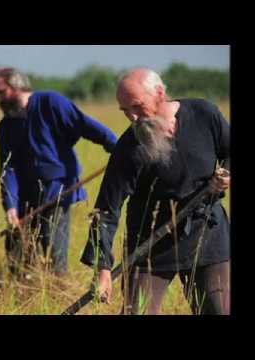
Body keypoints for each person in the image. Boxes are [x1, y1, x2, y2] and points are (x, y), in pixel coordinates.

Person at [80, 67, 230, 315]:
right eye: (125, 110)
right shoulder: (129, 147)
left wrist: (225, 176)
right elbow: (106, 210)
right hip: (150, 246)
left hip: (207, 235)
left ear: (159, 93)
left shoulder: (204, 114)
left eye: (137, 106)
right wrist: (102, 269)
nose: (132, 117)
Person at [0, 66, 118, 278]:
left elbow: (84, 125)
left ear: (17, 85)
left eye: (1, 93)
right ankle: (24, 293)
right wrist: (10, 206)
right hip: (23, 197)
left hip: (58, 190)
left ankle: (58, 290)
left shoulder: (50, 103)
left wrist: (116, 147)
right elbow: (7, 169)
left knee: (53, 250)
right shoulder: (6, 126)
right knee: (16, 252)